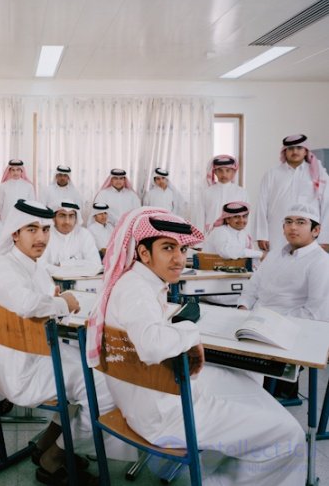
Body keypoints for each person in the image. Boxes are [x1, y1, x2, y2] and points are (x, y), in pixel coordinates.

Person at [85, 207, 306, 486]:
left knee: (245, 380)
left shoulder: (138, 281)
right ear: (143, 253)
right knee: (289, 434)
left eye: (182, 249)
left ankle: (201, 466)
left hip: (152, 398)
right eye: (168, 248)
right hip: (163, 414)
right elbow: (152, 345)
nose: (179, 259)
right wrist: (190, 331)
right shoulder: (136, 291)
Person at [0, 199, 135, 485]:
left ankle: (46, 446)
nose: (41, 237)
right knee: (107, 388)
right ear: (15, 233)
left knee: (98, 365)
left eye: (45, 229)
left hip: (34, 355)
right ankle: (55, 457)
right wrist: (62, 302)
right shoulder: (4, 266)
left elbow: (43, 300)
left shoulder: (28, 264)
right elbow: (29, 304)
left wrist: (57, 301)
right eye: (31, 229)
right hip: (21, 369)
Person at [239, 203, 329, 400]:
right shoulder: (274, 255)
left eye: (300, 222)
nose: (293, 227)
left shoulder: (321, 262)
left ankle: (267, 398)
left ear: (316, 230)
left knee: (250, 376)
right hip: (256, 323)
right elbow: (253, 287)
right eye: (288, 222)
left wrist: (271, 324)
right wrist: (243, 307)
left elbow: (316, 313)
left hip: (289, 330)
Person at [255, 134, 329, 253]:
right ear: (285, 151)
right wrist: (262, 235)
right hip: (277, 231)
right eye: (290, 148)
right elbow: (262, 205)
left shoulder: (319, 173)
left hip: (308, 231)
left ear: (305, 151)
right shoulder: (272, 174)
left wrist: (325, 238)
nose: (294, 151)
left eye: (299, 148)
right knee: (277, 265)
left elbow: (326, 205)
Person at [202, 201, 263, 305]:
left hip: (234, 282)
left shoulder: (244, 235)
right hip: (217, 288)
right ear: (227, 218)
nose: (241, 220)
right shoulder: (220, 232)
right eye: (236, 217)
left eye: (244, 216)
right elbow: (227, 252)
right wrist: (260, 254)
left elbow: (253, 261)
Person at [40, 200, 100, 272]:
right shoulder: (45, 235)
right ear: (54, 218)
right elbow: (40, 266)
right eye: (62, 216)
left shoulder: (84, 234)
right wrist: (79, 263)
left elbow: (96, 264)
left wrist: (63, 264)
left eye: (71, 216)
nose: (67, 221)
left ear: (76, 219)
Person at [199, 154, 248, 234]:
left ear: (233, 171)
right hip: (211, 236)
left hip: (234, 237)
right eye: (220, 170)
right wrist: (199, 243)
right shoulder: (206, 193)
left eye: (227, 170)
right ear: (214, 172)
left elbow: (245, 218)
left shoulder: (242, 193)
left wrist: (245, 239)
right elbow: (200, 218)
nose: (224, 174)